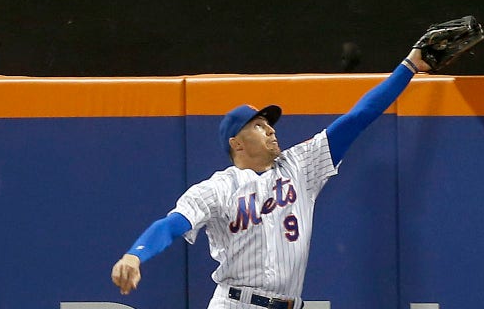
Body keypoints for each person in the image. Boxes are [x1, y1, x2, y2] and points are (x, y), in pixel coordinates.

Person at [111, 48, 431, 309]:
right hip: (237, 304)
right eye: (259, 126)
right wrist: (135, 254)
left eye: (269, 124)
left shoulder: (301, 166)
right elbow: (172, 224)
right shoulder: (219, 188)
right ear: (236, 142)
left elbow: (358, 118)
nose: (270, 130)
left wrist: (409, 65)